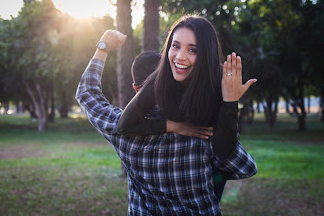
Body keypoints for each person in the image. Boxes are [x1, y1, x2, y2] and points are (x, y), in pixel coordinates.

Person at [76, 29, 257, 215]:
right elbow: (245, 167)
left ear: (135, 88)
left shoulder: (122, 132)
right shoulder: (203, 129)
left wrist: (103, 47)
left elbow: (86, 92)